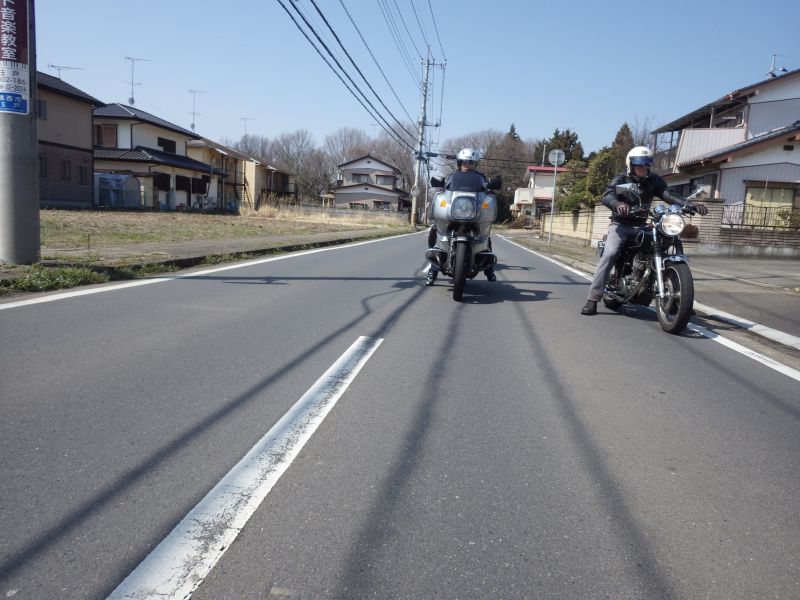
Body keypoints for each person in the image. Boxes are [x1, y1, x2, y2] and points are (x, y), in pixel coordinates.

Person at [580, 146, 709, 315]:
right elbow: (608, 195)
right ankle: (592, 299)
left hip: (642, 225)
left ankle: (681, 300)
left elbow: (668, 194)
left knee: (668, 245)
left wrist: (689, 204)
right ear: (631, 164)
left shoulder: (654, 180)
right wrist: (617, 203)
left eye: (647, 164)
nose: (643, 168)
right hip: (621, 225)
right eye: (639, 164)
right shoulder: (622, 180)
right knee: (610, 253)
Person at [425, 148, 497, 285]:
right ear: (459, 163)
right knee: (436, 229)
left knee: (485, 233)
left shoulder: (481, 179)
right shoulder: (452, 177)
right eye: (464, 162)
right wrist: (441, 188)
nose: (467, 165)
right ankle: (433, 269)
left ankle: (489, 269)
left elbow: (488, 192)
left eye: (471, 163)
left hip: (474, 213)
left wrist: (491, 190)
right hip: (453, 211)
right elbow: (445, 191)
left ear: (475, 164)